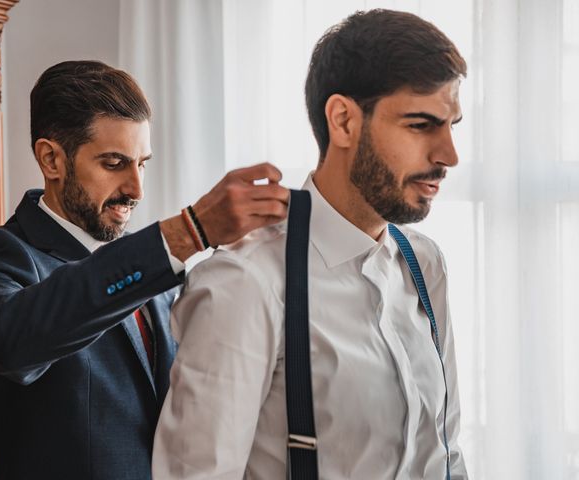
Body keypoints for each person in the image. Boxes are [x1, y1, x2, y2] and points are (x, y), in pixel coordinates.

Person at [153, 9, 468, 479]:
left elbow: (445, 454)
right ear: (343, 121)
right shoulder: (247, 281)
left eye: (451, 126)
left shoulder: (424, 264)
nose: (449, 156)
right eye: (421, 125)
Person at [0, 60, 289, 480]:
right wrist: (186, 234)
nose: (137, 189)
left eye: (142, 163)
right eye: (114, 163)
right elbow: (9, 345)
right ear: (51, 159)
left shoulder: (157, 274)